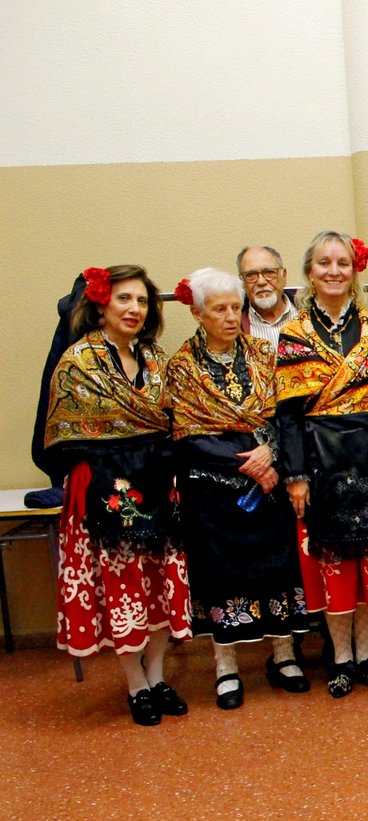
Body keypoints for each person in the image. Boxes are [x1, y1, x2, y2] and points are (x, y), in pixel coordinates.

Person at [275, 231, 368, 698]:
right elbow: (287, 416)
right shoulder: (294, 333)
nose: (334, 271)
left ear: (354, 271)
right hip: (319, 462)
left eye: (342, 262)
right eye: (324, 263)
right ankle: (339, 658)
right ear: (309, 272)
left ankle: (367, 653)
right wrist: (295, 477)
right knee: (335, 569)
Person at [43, 264, 191, 725]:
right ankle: (135, 683)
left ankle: (157, 672)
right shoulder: (79, 362)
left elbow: (174, 420)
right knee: (122, 586)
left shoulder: (156, 358)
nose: (134, 309)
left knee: (165, 582)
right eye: (124, 299)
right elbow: (65, 435)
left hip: (158, 482)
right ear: (101, 303)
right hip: (105, 487)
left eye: (142, 301)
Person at [166, 268, 310, 710]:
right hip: (212, 493)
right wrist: (248, 462)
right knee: (221, 577)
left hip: (268, 491)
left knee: (276, 568)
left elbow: (287, 415)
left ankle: (283, 657)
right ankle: (225, 667)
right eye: (219, 309)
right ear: (197, 313)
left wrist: (269, 452)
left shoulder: (266, 355)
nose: (231, 317)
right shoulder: (181, 367)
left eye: (235, 307)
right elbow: (185, 433)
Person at [237, 246, 298, 347]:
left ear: (284, 275)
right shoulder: (234, 326)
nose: (261, 282)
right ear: (242, 282)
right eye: (251, 275)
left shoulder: (313, 313)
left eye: (269, 272)